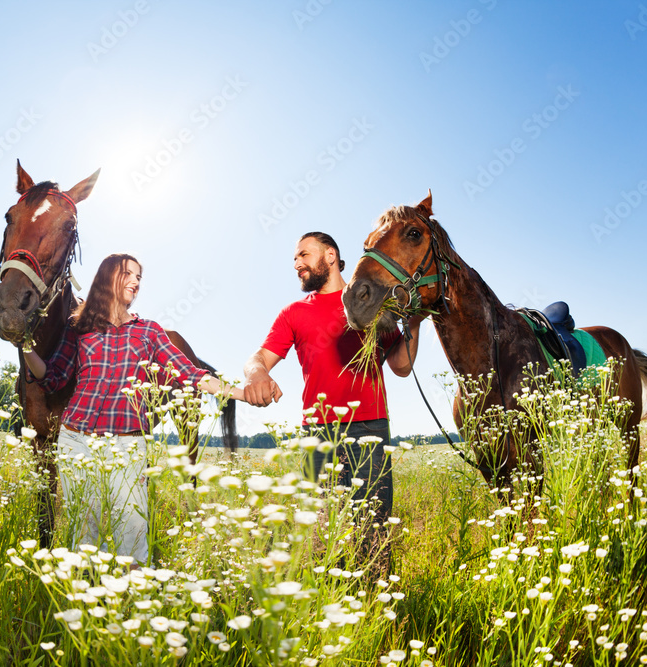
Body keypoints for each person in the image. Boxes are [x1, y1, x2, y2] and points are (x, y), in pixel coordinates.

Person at [21, 253, 243, 564]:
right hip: (76, 441)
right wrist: (25, 345)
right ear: (107, 279)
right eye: (128, 274)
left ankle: (131, 604)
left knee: (134, 534)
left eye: (139, 277)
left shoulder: (149, 331)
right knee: (82, 537)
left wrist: (240, 392)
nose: (136, 282)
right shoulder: (78, 329)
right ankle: (84, 605)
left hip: (128, 442)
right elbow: (53, 375)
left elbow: (188, 373)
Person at [242, 232, 419, 558]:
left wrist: (416, 319)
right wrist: (258, 375)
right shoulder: (293, 313)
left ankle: (372, 605)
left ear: (331, 256)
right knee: (322, 538)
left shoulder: (371, 305)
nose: (297, 264)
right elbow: (258, 359)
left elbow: (402, 366)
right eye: (294, 259)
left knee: (373, 535)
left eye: (303, 255)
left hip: (370, 430)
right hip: (318, 434)